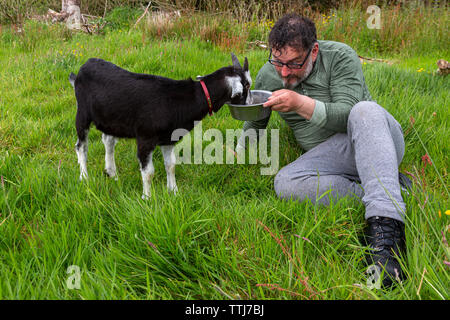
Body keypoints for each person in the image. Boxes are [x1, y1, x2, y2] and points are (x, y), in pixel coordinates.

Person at [237, 13, 410, 288]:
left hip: (374, 138)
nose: (284, 72)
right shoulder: (269, 74)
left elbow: (347, 113)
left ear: (313, 51)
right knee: (285, 182)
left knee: (364, 110)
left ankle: (386, 240)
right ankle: (389, 186)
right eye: (278, 61)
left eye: (294, 63)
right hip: (331, 158)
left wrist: (298, 103)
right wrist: (240, 148)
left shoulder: (340, 56)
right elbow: (256, 120)